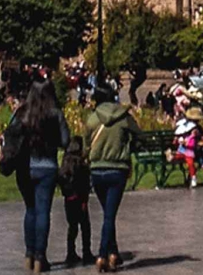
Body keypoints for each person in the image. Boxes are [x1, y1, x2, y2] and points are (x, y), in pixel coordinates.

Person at [2, 79, 72, 273]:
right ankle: (41, 257)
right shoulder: (55, 114)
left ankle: (29, 254)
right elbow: (66, 140)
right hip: (47, 166)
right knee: (43, 212)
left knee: (30, 210)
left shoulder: (22, 113)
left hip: (25, 167)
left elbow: (10, 135)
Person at [86, 85, 140, 272]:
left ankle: (113, 252)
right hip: (117, 169)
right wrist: (127, 145)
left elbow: (86, 143)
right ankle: (102, 254)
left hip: (97, 170)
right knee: (109, 215)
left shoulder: (93, 118)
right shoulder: (124, 117)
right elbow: (138, 134)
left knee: (108, 213)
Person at [59, 135, 93, 267]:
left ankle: (71, 252)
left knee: (72, 227)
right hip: (80, 199)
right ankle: (86, 252)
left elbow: (61, 181)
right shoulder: (81, 164)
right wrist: (84, 200)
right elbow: (85, 185)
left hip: (69, 199)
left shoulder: (65, 163)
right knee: (85, 226)